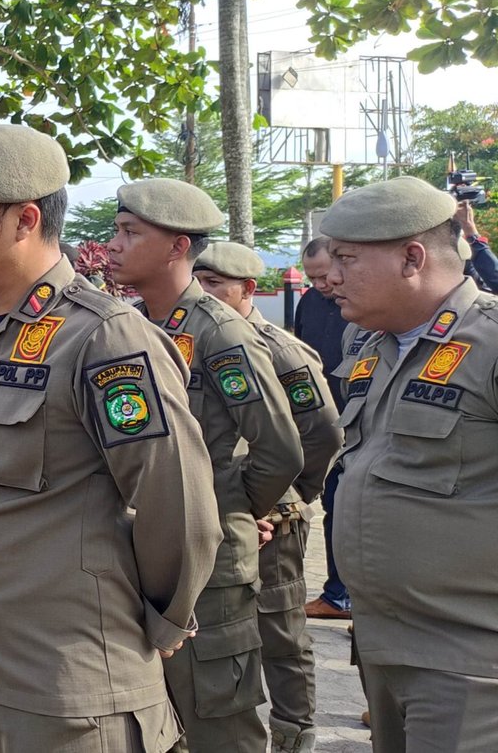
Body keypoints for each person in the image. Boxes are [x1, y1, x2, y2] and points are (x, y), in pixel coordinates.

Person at [0, 125, 220, 753]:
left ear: (24, 220)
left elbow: (178, 502)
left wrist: (162, 620)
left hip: (65, 696)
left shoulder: (103, 337)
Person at [107, 179, 303, 753]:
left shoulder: (220, 331)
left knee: (218, 721)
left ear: (177, 248)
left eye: (129, 232)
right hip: (140, 552)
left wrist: (229, 506)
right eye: (116, 230)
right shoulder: (130, 325)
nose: (113, 245)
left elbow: (281, 448)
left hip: (210, 564)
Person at [319, 176, 498, 752]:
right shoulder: (372, 346)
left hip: (469, 660)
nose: (330, 276)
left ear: (412, 258)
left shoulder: (490, 341)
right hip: (383, 645)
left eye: (346, 259)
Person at [193, 241, 344, 753]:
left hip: (272, 509)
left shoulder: (278, 349)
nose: (203, 292)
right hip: (222, 507)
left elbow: (323, 433)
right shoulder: (189, 335)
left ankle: (293, 733)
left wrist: (284, 498)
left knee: (280, 628)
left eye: (215, 284)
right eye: (199, 282)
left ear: (248, 289)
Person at [291, 237, 354, 622]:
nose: (320, 285)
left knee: (352, 511)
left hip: (357, 423)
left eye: (324, 276)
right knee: (331, 506)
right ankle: (338, 594)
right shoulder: (310, 302)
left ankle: (349, 596)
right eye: (311, 278)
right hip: (320, 424)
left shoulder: (362, 301)